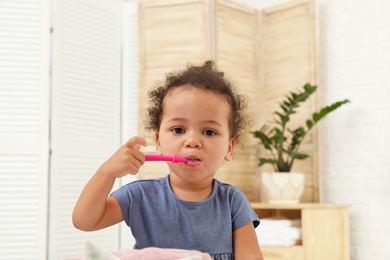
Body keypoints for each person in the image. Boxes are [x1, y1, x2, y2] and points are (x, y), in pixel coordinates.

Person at [72, 60, 264, 260]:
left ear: (229, 148)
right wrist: (106, 172)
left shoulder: (233, 202)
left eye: (209, 131)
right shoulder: (140, 196)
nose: (192, 141)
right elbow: (84, 220)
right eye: (178, 130)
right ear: (159, 142)